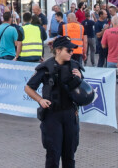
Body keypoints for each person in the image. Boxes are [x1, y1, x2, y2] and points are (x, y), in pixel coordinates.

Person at [25, 36, 86, 167]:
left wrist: (80, 79)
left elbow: (83, 91)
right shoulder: (45, 68)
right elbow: (28, 88)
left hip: (70, 113)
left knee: (69, 154)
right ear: (58, 50)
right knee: (53, 154)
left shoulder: (75, 66)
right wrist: (40, 100)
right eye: (68, 50)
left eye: (72, 51)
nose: (71, 53)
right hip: (52, 115)